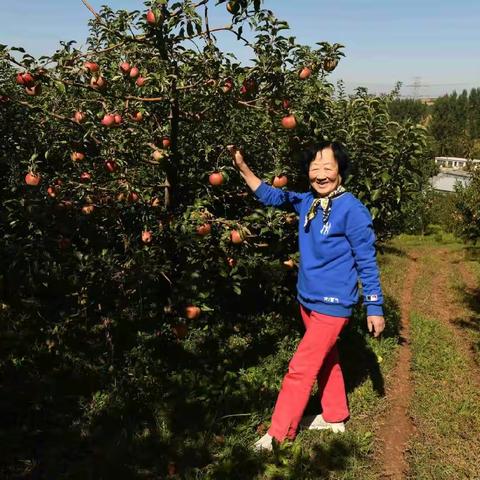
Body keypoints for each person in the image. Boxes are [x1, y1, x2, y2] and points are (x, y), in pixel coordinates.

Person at [227, 141, 386, 451]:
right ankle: (336, 415)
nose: (321, 174)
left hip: (333, 305)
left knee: (300, 369)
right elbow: (272, 195)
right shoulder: (306, 201)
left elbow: (366, 261)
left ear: (341, 171)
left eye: (328, 167)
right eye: (315, 168)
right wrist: (243, 168)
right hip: (307, 301)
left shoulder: (353, 210)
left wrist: (374, 306)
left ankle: (277, 434)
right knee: (326, 358)